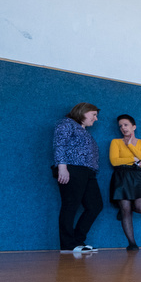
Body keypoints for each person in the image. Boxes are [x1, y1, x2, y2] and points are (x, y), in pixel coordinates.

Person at [53, 102, 103, 254]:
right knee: (70, 205)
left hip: (87, 172)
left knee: (95, 205)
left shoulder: (84, 131)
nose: (96, 119)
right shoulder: (66, 123)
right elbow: (59, 145)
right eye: (94, 115)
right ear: (83, 111)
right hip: (72, 169)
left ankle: (77, 241)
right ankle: (67, 245)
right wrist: (62, 167)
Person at [109, 114, 141, 251]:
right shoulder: (115, 142)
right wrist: (134, 159)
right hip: (121, 176)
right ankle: (132, 243)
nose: (123, 128)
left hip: (138, 176)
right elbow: (114, 161)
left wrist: (130, 145)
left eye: (125, 125)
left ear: (134, 127)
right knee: (125, 210)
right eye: (120, 126)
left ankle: (125, 209)